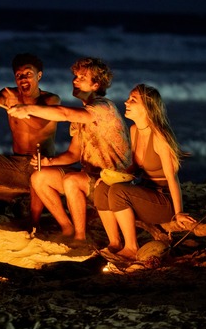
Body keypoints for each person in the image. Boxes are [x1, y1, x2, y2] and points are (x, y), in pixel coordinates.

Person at [8, 57, 131, 243]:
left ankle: (80, 238)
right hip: (90, 177)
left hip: (112, 180)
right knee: (39, 177)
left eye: (82, 77)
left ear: (96, 85)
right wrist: (50, 162)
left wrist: (28, 109)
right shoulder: (82, 114)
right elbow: (73, 154)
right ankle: (67, 228)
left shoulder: (104, 107)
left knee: (72, 180)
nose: (75, 80)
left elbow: (63, 113)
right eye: (75, 76)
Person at [94, 83, 195, 260]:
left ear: (147, 108)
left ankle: (131, 248)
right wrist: (109, 177)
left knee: (118, 192)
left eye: (133, 100)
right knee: (103, 188)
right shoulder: (135, 130)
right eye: (128, 98)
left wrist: (178, 213)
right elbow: (134, 166)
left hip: (163, 201)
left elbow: (173, 179)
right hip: (146, 193)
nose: (126, 102)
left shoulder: (159, 137)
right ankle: (115, 243)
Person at [0, 53, 60, 225]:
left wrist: (20, 107)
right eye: (18, 75)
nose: (23, 79)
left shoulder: (51, 99)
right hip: (15, 164)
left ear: (39, 75)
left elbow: (39, 125)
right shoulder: (9, 94)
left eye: (28, 74)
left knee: (39, 172)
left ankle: (34, 223)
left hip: (41, 164)